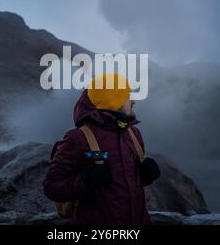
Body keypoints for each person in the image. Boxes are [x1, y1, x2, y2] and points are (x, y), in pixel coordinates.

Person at [43, 73, 160, 224]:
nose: (133, 100)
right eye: (127, 95)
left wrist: (145, 177)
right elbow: (51, 187)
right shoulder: (78, 138)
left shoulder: (133, 134)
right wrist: (86, 181)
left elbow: (121, 185)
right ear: (114, 100)